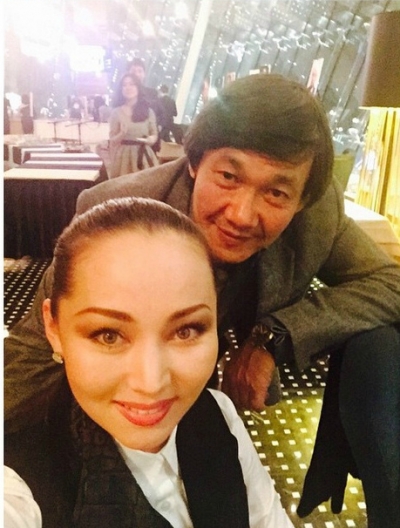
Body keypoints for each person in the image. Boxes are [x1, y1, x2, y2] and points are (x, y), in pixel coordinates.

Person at [5, 73, 400, 527]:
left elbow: (389, 282)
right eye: (229, 177)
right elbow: (32, 350)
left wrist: (274, 336)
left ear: (302, 199)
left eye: (275, 192)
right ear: (194, 162)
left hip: (213, 397)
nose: (242, 215)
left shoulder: (317, 215)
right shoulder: (120, 215)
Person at [4, 197, 294, 528]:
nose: (151, 383)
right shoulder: (17, 483)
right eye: (108, 335)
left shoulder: (219, 413)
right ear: (53, 330)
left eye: (186, 330)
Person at [108, 73, 159, 178]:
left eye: (132, 84)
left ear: (138, 88)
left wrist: (151, 140)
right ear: (121, 89)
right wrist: (122, 134)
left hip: (143, 156)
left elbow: (154, 134)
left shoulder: (148, 111)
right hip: (123, 159)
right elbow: (112, 140)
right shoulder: (116, 113)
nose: (128, 88)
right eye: (124, 85)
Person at [127, 58, 162, 152]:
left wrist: (157, 128)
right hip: (128, 142)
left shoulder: (152, 93)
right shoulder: (123, 94)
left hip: (149, 141)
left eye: (140, 71)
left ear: (144, 74)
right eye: (133, 71)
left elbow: (161, 114)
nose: (136, 74)